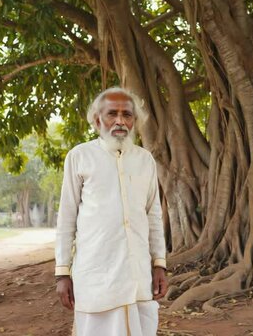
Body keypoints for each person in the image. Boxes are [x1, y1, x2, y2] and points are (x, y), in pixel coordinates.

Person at [54, 87, 168, 336]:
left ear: (134, 120)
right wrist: (62, 273)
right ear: (97, 120)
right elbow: (66, 218)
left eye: (127, 114)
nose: (120, 121)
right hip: (96, 273)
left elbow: (154, 215)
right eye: (111, 114)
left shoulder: (144, 160)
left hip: (138, 272)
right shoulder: (80, 156)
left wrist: (159, 264)